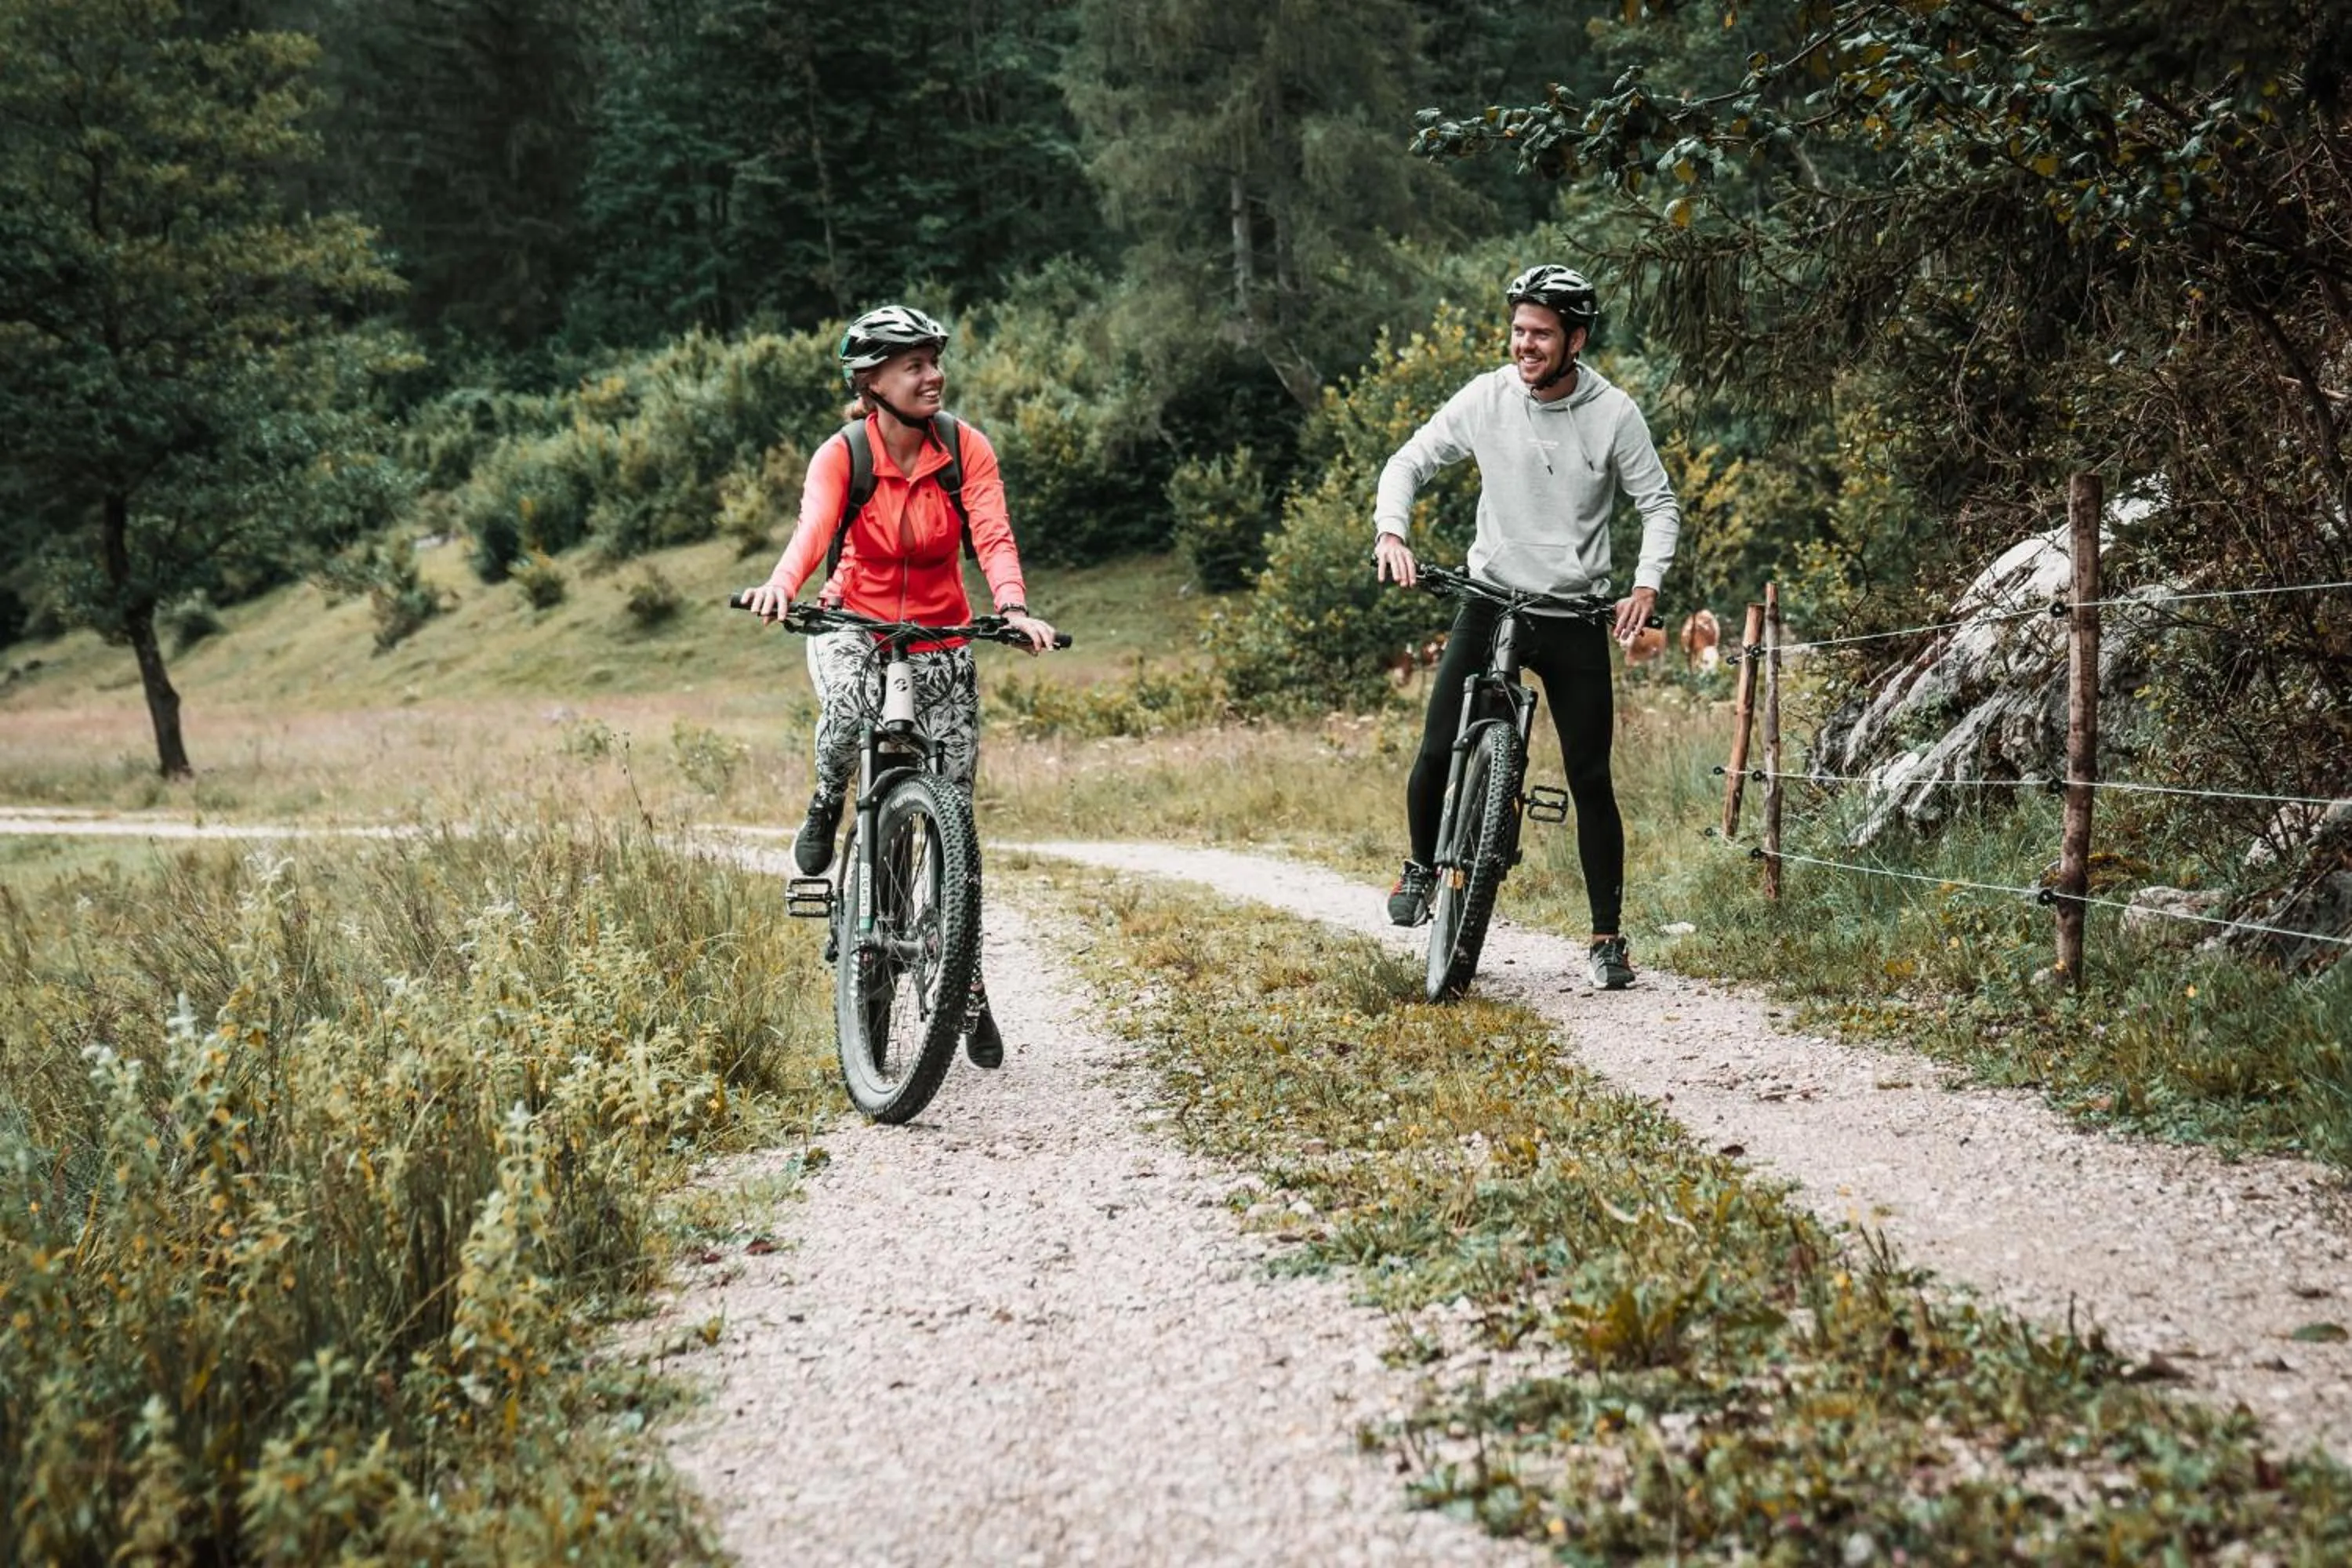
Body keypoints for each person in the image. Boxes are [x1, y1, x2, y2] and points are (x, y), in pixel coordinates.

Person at [739, 304, 1057, 1066]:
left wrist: (1011, 605)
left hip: (942, 633)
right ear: (870, 380)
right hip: (851, 621)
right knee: (848, 709)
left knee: (957, 816)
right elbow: (813, 529)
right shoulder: (843, 454)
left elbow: (992, 531)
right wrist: (784, 584)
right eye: (912, 364)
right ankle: (825, 805)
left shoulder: (962, 448)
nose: (931, 374)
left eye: (933, 360)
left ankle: (963, 976)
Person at [1371, 265, 1681, 991]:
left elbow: (1658, 504)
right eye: (1518, 330)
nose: (1524, 345)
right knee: (1436, 745)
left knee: (1592, 779)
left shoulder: (1614, 414)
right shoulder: (1488, 397)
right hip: (1491, 600)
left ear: (1576, 339)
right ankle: (1422, 865)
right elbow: (1409, 460)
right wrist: (1393, 532)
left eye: (1541, 333)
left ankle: (1607, 938)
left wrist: (1645, 584)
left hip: (1575, 615)